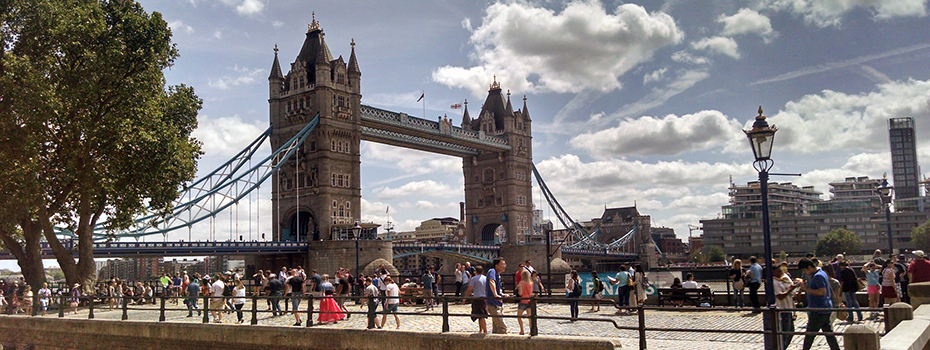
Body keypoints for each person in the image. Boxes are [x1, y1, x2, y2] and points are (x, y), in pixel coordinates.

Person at [798, 258, 840, 350]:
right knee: (828, 333)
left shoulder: (818, 276)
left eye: (805, 270)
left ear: (809, 267)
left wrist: (805, 288)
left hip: (819, 309)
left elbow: (822, 292)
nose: (805, 273)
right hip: (825, 307)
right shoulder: (821, 272)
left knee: (810, 334)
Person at [773, 267, 799, 349]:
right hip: (782, 309)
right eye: (778, 271)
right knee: (785, 332)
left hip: (788, 308)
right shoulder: (774, 282)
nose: (781, 273)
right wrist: (790, 289)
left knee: (791, 331)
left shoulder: (783, 279)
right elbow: (780, 296)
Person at [464, 265, 488, 333]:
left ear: (475, 272)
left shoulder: (474, 279)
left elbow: (469, 289)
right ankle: (480, 330)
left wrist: (465, 298)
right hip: (484, 298)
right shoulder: (485, 278)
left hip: (477, 298)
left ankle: (485, 331)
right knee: (480, 315)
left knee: (481, 315)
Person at [486, 257, 508, 334]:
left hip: (498, 304)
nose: (504, 266)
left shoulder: (498, 275)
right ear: (497, 265)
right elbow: (491, 282)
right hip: (493, 304)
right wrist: (495, 295)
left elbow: (497, 288)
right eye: (503, 264)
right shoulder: (492, 271)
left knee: (496, 329)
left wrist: (502, 295)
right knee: (502, 327)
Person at [516, 269, 533, 335]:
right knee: (530, 318)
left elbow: (520, 293)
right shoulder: (531, 283)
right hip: (529, 301)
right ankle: (531, 331)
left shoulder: (521, 283)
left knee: (519, 316)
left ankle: (522, 330)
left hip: (523, 301)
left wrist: (518, 289)